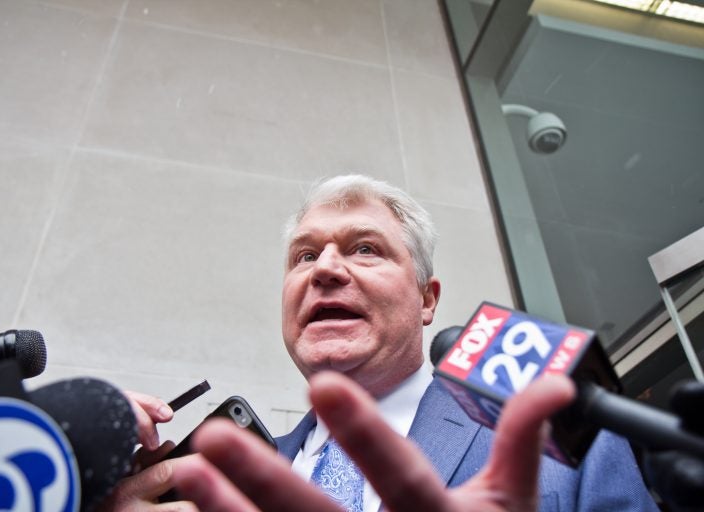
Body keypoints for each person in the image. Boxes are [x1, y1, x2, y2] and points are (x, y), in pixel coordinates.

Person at [101, 174, 659, 511]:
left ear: (426, 299)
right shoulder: (229, 488)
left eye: (365, 248)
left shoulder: (554, 431)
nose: (324, 270)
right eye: (304, 255)